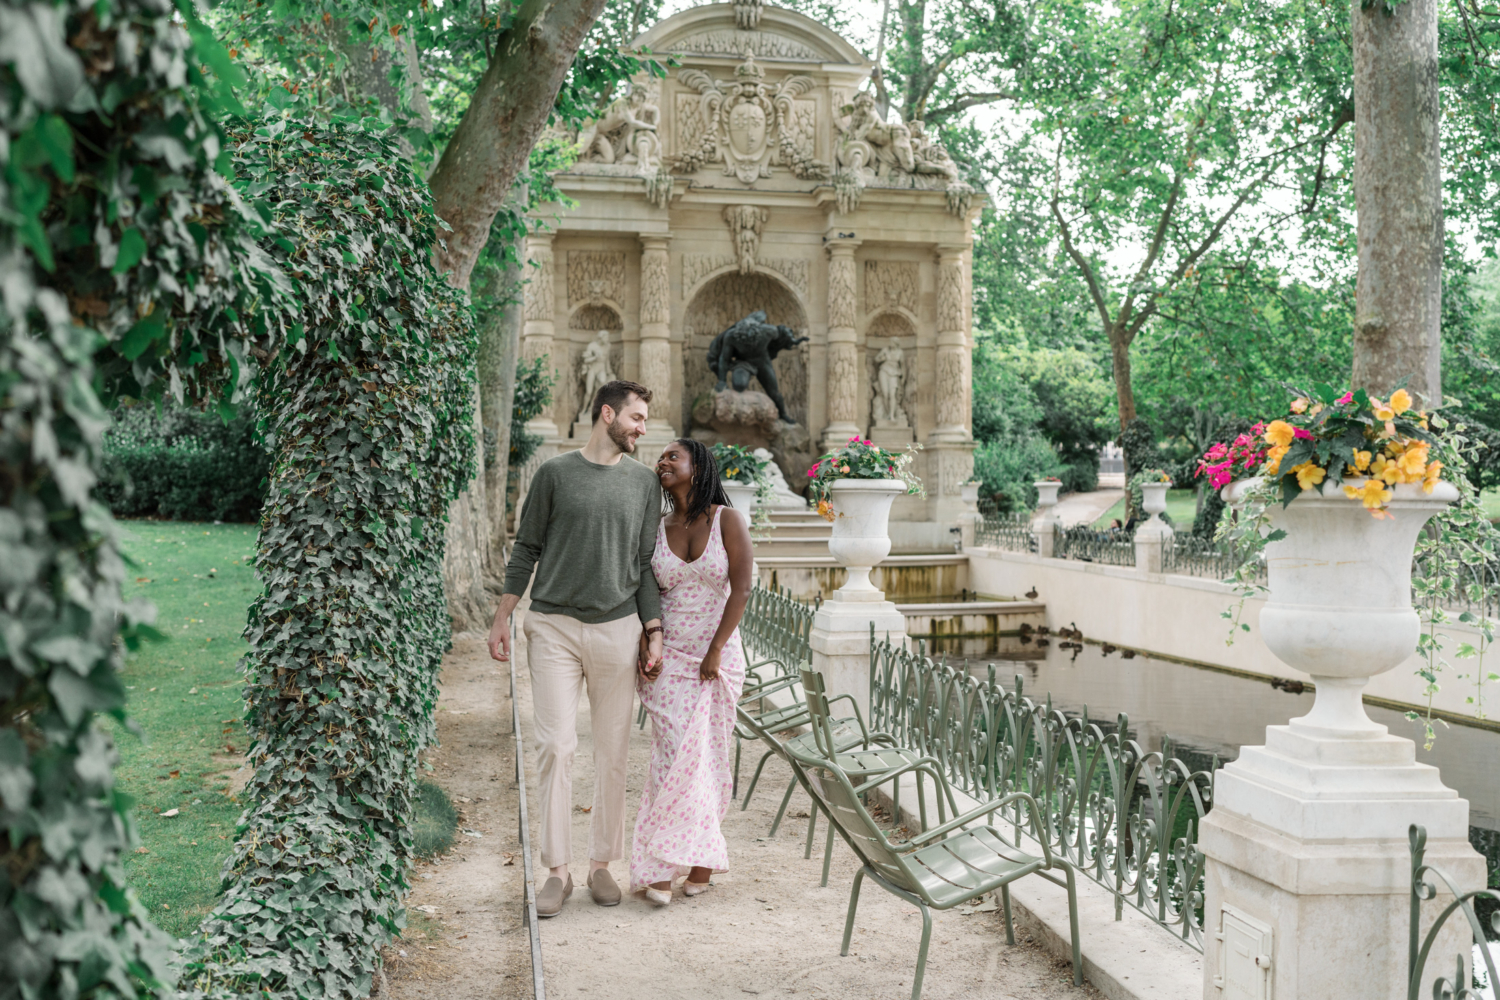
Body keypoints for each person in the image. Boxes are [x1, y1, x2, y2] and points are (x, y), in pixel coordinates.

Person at [487, 380, 665, 917]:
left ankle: (602, 865)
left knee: (612, 752)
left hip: (618, 628)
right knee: (556, 745)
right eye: (635, 418)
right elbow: (527, 548)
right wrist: (503, 614)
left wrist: (653, 631)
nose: (641, 428)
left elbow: (643, 566)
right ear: (606, 413)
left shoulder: (643, 484)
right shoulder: (554, 474)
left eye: (644, 422)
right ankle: (557, 871)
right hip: (554, 627)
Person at [632, 439, 753, 906]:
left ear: (698, 468)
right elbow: (646, 586)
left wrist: (716, 650)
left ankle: (701, 862)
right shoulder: (658, 526)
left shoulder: (727, 519)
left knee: (709, 760)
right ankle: (659, 867)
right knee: (670, 757)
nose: (663, 462)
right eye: (660, 457)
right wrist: (650, 636)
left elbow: (741, 589)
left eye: (673, 457)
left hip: (717, 658)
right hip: (669, 657)